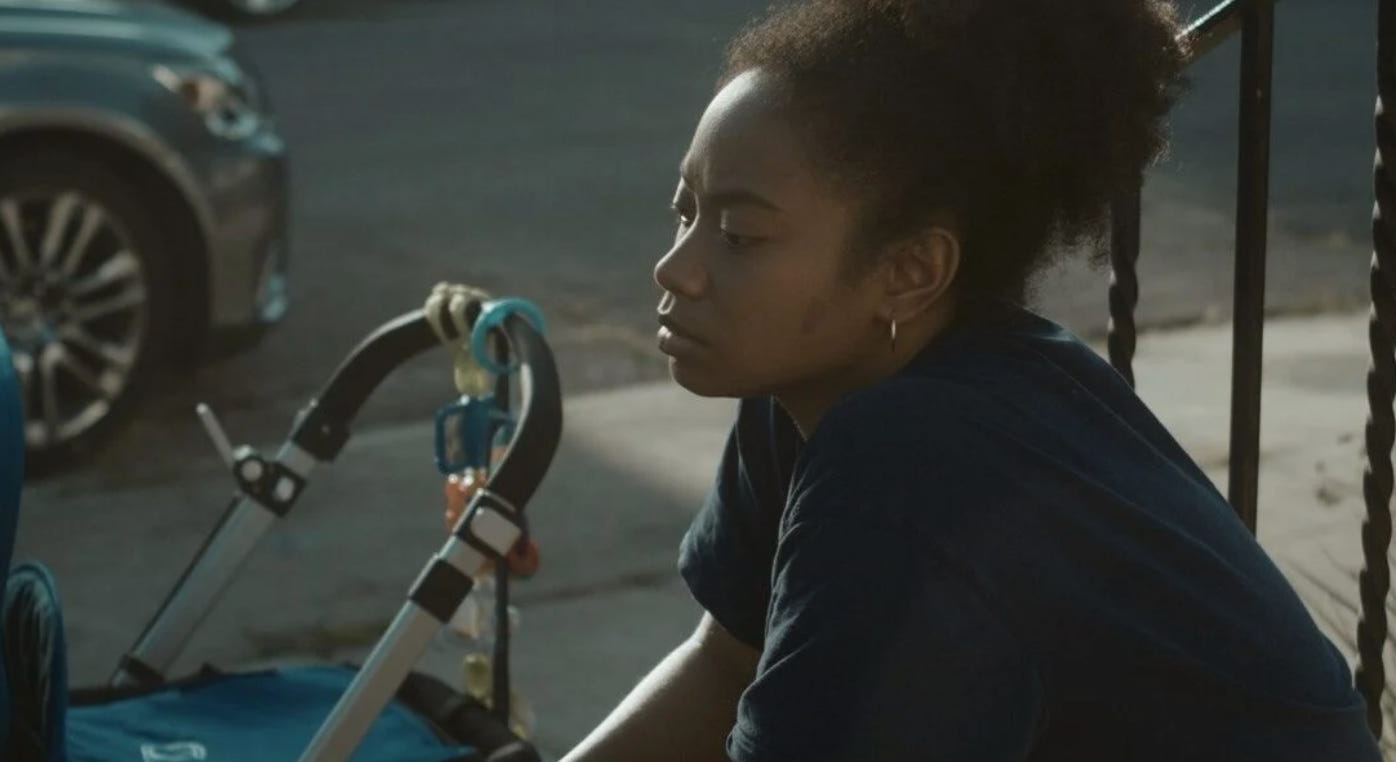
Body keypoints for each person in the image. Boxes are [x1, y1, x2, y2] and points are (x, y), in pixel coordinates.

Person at [561, 0, 1383, 760]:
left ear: (911, 271)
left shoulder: (919, 462)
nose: (676, 268)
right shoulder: (820, 386)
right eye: (686, 210)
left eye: (739, 234)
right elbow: (722, 666)